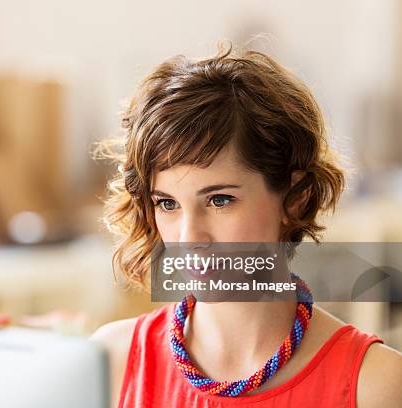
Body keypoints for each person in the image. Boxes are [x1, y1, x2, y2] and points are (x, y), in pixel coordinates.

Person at [91, 44, 402, 407]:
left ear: (294, 197)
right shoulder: (111, 363)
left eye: (219, 200)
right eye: (167, 203)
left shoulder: (375, 385)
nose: (190, 237)